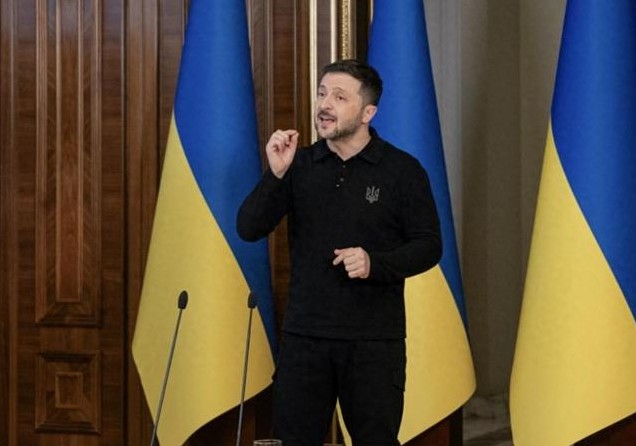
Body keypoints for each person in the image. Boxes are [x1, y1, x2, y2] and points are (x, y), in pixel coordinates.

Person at [237, 59, 442, 446]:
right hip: (304, 339)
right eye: (321, 94)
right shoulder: (299, 164)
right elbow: (248, 228)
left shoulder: (402, 170)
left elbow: (429, 246)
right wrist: (276, 173)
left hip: (373, 343)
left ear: (368, 112)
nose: (325, 105)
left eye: (339, 97)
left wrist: (374, 263)